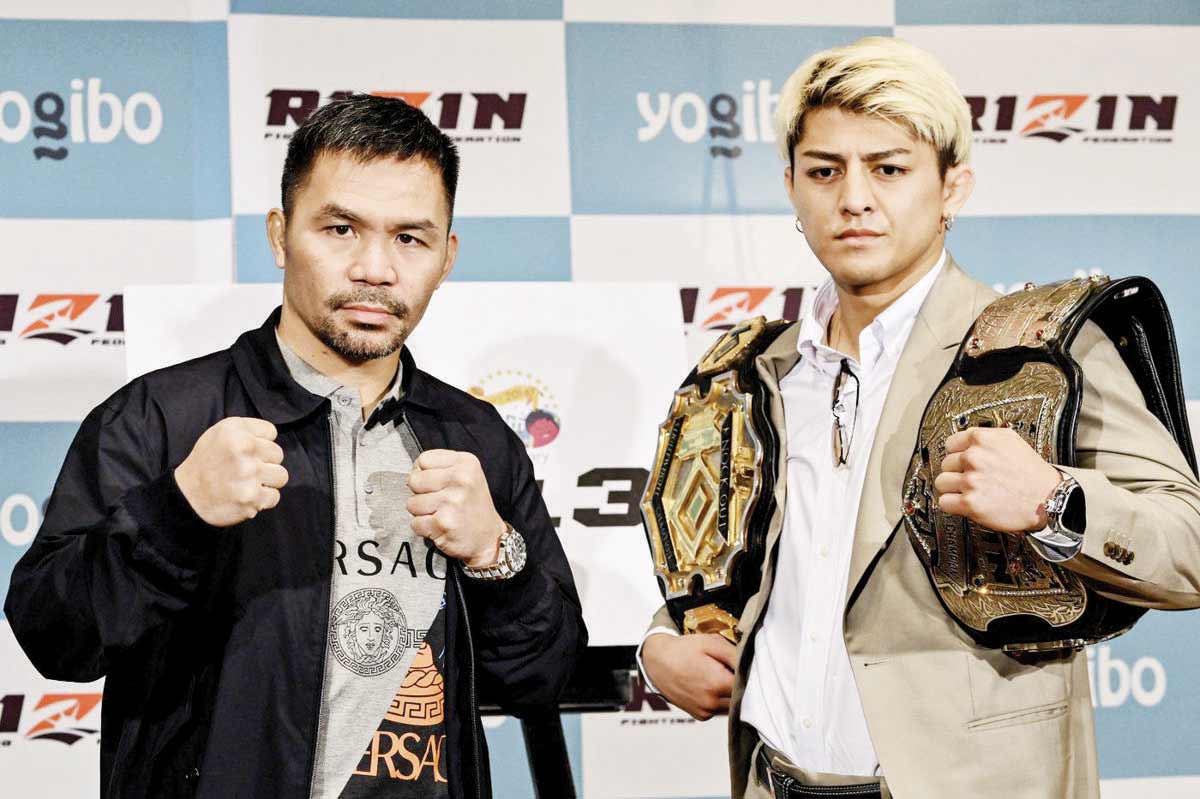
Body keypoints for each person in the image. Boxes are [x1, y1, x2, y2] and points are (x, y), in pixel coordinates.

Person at [639, 36, 1200, 798]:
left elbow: (1190, 541)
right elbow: (784, 559)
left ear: (952, 187)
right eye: (825, 170)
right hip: (774, 779)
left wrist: (1055, 502)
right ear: (792, 186)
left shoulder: (1039, 350)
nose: (854, 198)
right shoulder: (755, 370)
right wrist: (660, 641)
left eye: (889, 168)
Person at [5, 94, 586, 799]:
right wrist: (176, 512)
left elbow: (543, 674)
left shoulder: (475, 436)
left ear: (447, 255)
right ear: (281, 235)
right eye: (340, 228)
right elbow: (52, 636)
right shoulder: (163, 415)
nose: (376, 268)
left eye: (410, 238)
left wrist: (499, 556)